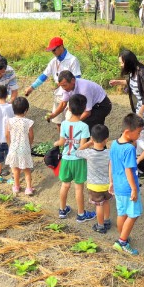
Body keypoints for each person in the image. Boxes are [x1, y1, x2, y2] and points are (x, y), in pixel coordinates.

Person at [110, 49, 144, 178]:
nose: (121, 66)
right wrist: (118, 82)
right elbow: (132, 83)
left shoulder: (143, 72)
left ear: (128, 62)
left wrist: (138, 115)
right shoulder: (133, 72)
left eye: (122, 63)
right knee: (140, 137)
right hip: (142, 109)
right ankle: (141, 167)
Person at [53, 94, 96, 223]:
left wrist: (55, 144)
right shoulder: (84, 126)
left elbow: (61, 141)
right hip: (78, 160)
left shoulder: (64, 123)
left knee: (65, 185)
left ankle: (62, 210)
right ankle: (81, 214)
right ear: (83, 110)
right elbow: (82, 147)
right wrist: (90, 143)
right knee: (79, 188)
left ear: (69, 108)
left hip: (66, 159)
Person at [24, 36, 82, 132]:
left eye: (54, 50)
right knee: (58, 122)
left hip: (70, 95)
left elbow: (77, 79)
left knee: (70, 121)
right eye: (51, 50)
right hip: (58, 94)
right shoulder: (53, 61)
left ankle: (71, 144)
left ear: (61, 47)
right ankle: (62, 144)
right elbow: (44, 75)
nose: (53, 52)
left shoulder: (72, 60)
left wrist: (63, 84)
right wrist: (32, 87)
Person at [110, 113, 144, 255]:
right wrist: (134, 189)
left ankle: (122, 235)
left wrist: (111, 181)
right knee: (134, 214)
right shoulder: (129, 149)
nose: (139, 135)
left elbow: (111, 163)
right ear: (127, 132)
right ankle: (122, 241)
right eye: (138, 133)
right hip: (127, 187)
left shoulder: (113, 143)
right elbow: (129, 170)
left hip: (118, 186)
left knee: (122, 212)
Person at [75, 124, 112, 234]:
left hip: (94, 186)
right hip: (107, 184)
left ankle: (100, 226)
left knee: (99, 205)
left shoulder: (89, 153)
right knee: (106, 203)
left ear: (92, 138)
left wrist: (88, 143)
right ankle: (107, 220)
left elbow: (77, 152)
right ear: (106, 140)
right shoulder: (109, 153)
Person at [5, 97, 35, 196]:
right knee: (27, 170)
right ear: (26, 110)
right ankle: (29, 188)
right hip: (24, 148)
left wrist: (10, 143)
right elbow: (31, 136)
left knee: (15, 169)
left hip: (13, 148)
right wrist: (29, 144)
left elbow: (6, 134)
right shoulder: (28, 122)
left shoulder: (10, 121)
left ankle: (16, 186)